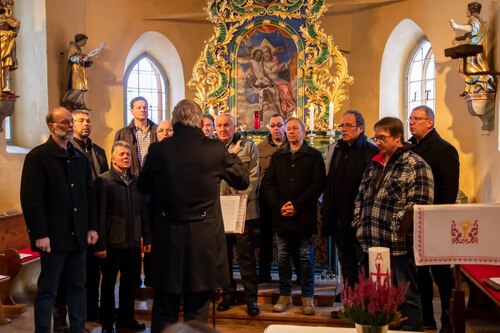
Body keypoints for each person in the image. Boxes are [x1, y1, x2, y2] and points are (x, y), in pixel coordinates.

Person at [137, 99, 249, 332]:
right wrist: (232, 154)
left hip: (168, 235)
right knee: (198, 305)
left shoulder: (158, 150)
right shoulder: (216, 148)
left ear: (175, 120)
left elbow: (142, 186)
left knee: (165, 304)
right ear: (198, 121)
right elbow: (242, 179)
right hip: (204, 238)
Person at [20, 107, 99, 333]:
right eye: (64, 122)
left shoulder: (80, 158)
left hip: (79, 236)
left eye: (70, 122)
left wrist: (92, 226)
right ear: (51, 126)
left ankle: (77, 328)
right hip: (53, 237)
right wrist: (39, 234)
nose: (70, 126)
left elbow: (89, 195)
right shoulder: (38, 157)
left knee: (78, 287)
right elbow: (31, 199)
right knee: (48, 290)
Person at [353, 117, 434, 331]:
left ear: (398, 137)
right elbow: (361, 196)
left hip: (398, 245)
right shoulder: (375, 163)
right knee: (375, 297)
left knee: (406, 297)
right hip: (370, 242)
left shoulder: (415, 165)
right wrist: (358, 222)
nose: (377, 142)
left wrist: (396, 228)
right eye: (376, 137)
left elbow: (419, 205)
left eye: (382, 137)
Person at [52, 109, 109, 332]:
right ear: (71, 125)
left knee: (90, 271)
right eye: (80, 120)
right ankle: (60, 318)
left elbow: (102, 184)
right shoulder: (66, 149)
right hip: (70, 220)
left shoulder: (99, 151)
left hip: (92, 217)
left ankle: (88, 312)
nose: (86, 124)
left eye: (88, 120)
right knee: (66, 275)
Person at [263, 117, 325, 315]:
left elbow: (317, 185)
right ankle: (285, 295)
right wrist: (280, 205)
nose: (290, 132)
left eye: (294, 129)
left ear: (303, 132)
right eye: (288, 129)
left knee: (305, 256)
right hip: (281, 216)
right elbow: (268, 184)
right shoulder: (278, 156)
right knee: (282, 257)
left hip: (303, 216)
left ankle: (308, 297)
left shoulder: (314, 156)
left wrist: (296, 205)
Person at [409, 105, 459, 333]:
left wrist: (434, 215)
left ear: (430, 122)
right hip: (413, 221)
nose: (411, 122)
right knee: (419, 273)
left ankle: (449, 319)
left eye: (417, 118)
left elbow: (449, 190)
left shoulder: (444, 149)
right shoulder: (409, 148)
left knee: (440, 274)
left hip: (435, 220)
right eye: (410, 118)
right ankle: (426, 318)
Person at [94, 141, 151, 333]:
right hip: (111, 244)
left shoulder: (136, 182)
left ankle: (126, 318)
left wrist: (147, 238)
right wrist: (100, 244)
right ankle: (107, 323)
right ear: (112, 157)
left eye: (128, 154)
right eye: (121, 154)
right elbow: (99, 215)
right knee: (109, 284)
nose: (126, 157)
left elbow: (143, 212)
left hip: (133, 243)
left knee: (131, 282)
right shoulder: (103, 181)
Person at [322, 110, 378, 291]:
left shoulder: (371, 151)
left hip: (360, 219)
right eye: (342, 126)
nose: (343, 129)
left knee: (363, 263)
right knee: (345, 261)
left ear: (360, 128)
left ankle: (363, 301)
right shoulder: (336, 148)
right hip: (339, 218)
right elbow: (329, 180)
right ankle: (349, 298)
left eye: (348, 125)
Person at [215, 113, 260, 316]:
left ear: (234, 127)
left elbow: (254, 175)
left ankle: (251, 298)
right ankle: (228, 295)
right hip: (220, 211)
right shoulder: (211, 149)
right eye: (219, 126)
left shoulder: (248, 147)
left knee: (246, 257)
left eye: (227, 125)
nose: (223, 129)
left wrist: (240, 198)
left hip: (243, 209)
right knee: (223, 257)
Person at [256, 113, 287, 283]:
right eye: (273, 125)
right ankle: (264, 272)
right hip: (266, 199)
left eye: (279, 125)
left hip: (285, 199)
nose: (276, 129)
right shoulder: (260, 148)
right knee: (265, 237)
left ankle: (289, 275)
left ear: (284, 126)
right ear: (269, 128)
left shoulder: (292, 146)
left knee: (287, 239)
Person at [450, 2, 496, 96]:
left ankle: (482, 83)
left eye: (467, 10)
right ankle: (472, 87)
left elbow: (472, 29)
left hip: (473, 51)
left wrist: (457, 26)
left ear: (470, 11)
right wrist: (458, 39)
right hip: (475, 50)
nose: (466, 12)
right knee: (467, 69)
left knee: (465, 68)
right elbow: (471, 34)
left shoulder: (473, 19)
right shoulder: (480, 20)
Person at [114, 96, 158, 176]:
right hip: (131, 179)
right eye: (139, 108)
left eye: (145, 107)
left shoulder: (157, 132)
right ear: (131, 111)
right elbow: (115, 160)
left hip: (154, 178)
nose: (142, 110)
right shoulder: (122, 133)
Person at [61, 34, 93, 110]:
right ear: (81, 40)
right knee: (77, 88)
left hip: (80, 71)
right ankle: (67, 103)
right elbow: (71, 58)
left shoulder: (78, 49)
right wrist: (81, 58)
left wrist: (86, 59)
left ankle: (79, 104)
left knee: (81, 88)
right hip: (75, 71)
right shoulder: (72, 47)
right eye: (85, 41)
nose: (85, 43)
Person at [0, 0, 19, 94]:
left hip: (7, 41)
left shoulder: (8, 18)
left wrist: (8, 17)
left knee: (6, 61)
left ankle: (4, 86)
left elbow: (15, 27)